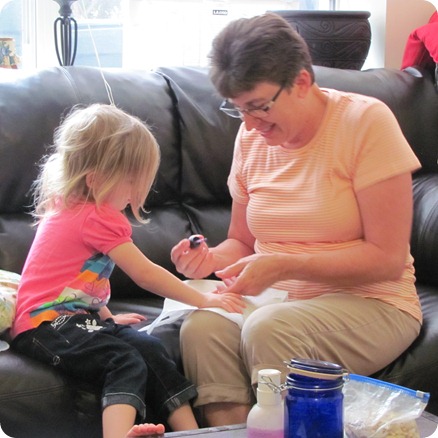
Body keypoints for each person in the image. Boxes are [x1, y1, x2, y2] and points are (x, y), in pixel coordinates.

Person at [171, 13, 423, 427]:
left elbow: (388, 257)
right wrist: (209, 261)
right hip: (278, 301)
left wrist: (285, 265)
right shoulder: (252, 137)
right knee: (203, 327)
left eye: (260, 107)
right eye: (238, 110)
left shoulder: (365, 123)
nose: (251, 124)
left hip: (373, 300)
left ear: (302, 82)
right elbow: (241, 242)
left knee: (270, 329)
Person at [10, 103, 243, 438]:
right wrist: (202, 300)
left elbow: (73, 281)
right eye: (132, 180)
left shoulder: (71, 207)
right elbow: (145, 273)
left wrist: (104, 318)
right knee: (125, 360)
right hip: (45, 327)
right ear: (95, 179)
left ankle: (191, 434)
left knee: (150, 349)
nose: (139, 191)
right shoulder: (97, 217)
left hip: (66, 321)